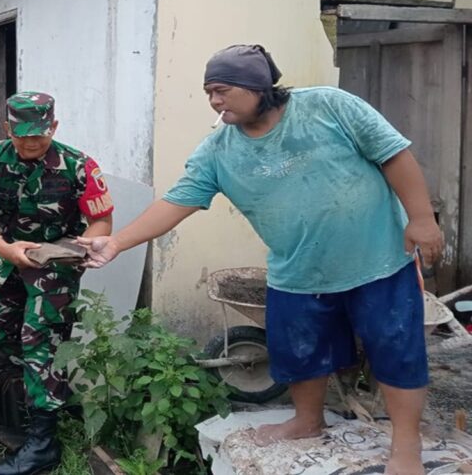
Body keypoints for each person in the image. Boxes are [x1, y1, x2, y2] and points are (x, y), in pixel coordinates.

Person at [78, 45, 444, 475]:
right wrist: (117, 242)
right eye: (208, 93)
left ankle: (406, 445)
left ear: (256, 86)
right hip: (298, 270)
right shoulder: (218, 150)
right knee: (300, 352)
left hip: (379, 260)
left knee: (395, 350)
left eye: (221, 90)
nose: (214, 101)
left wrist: (421, 219)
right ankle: (307, 422)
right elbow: (178, 200)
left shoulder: (329, 106)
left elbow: (393, 154)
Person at [0, 91, 114, 475]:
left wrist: (83, 246)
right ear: (6, 128)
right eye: (22, 134)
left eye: (40, 134)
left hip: (58, 261)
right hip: (11, 252)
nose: (31, 141)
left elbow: (101, 221)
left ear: (55, 127)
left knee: (39, 339)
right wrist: (8, 251)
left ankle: (43, 444)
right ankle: (46, 394)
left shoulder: (79, 165)